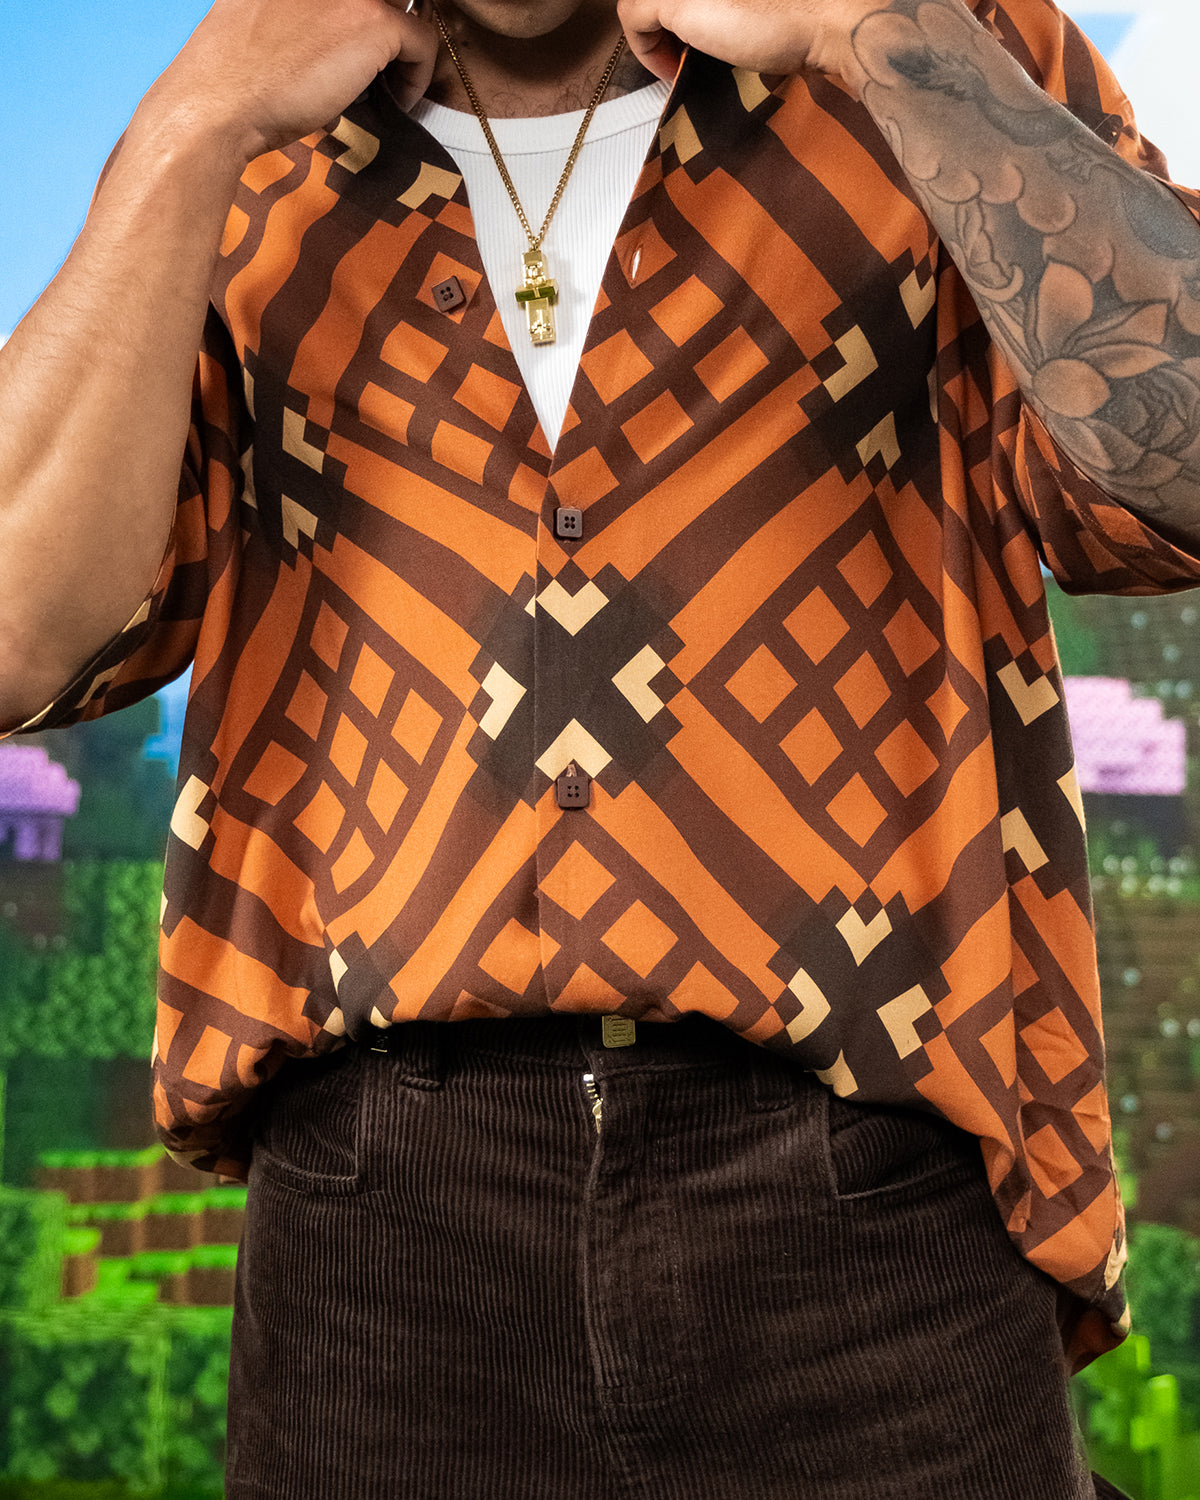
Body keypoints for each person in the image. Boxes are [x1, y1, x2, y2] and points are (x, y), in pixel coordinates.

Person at [1, 0, 1197, 1493]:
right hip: (380, 1230)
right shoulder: (246, 120)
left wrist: (866, 31)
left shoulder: (946, 36)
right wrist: (189, 128)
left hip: (876, 1188)